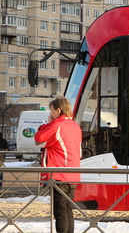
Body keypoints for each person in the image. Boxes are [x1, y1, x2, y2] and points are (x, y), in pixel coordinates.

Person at [34, 97, 82, 233]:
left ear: (58, 110)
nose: (50, 114)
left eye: (51, 110)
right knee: (68, 210)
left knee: (60, 213)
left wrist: (47, 124)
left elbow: (39, 139)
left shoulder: (57, 124)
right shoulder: (75, 125)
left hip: (59, 173)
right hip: (73, 173)